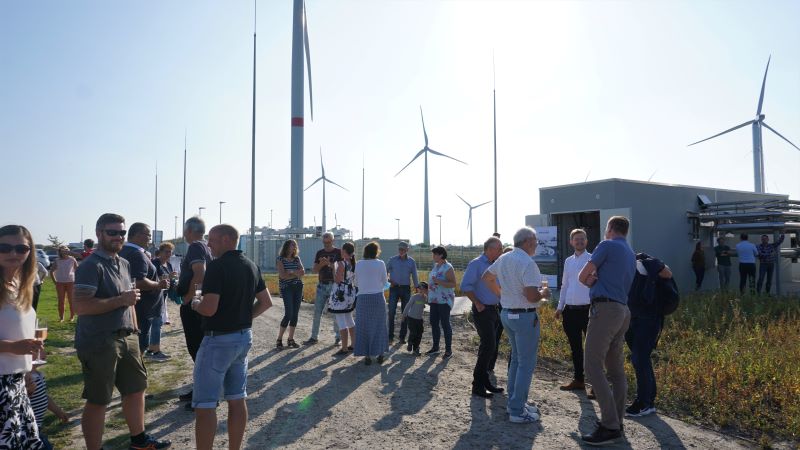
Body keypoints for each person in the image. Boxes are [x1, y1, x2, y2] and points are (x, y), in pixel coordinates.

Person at [72, 213, 170, 450]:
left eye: (122, 233)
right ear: (99, 234)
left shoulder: (124, 263)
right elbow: (81, 306)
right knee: (99, 400)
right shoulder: (90, 266)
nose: (118, 237)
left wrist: (134, 328)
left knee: (137, 390)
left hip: (128, 336)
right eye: (112, 232)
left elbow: (130, 300)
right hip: (99, 340)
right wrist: (120, 300)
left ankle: (139, 441)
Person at [189, 224, 273, 450]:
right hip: (242, 337)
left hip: (218, 340)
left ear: (226, 239)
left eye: (212, 240)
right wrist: (244, 318)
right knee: (237, 398)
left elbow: (209, 309)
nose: (208, 245)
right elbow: (266, 302)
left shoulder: (217, 267)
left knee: (205, 405)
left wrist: (196, 303)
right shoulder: (251, 265)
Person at [577, 216, 636, 445]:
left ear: (610, 229)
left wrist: (594, 281)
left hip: (604, 310)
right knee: (615, 369)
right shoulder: (630, 253)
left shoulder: (606, 246)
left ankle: (609, 425)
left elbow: (583, 276)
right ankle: (617, 422)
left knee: (592, 366)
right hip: (623, 311)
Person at [482, 227, 550, 424]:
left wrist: (502, 294)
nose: (537, 244)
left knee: (517, 360)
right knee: (525, 363)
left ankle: (515, 402)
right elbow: (531, 296)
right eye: (535, 241)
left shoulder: (504, 258)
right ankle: (517, 410)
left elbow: (487, 277)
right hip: (524, 317)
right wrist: (544, 294)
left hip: (506, 314)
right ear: (528, 242)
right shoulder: (528, 263)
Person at [0, 224, 45, 449]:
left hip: (15, 383)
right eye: (4, 247)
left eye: (21, 248)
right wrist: (11, 347)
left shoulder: (20, 285)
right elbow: (13, 342)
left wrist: (28, 369)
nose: (13, 253)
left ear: (30, 252)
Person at [625, 253, 674, 418]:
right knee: (641, 359)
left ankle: (644, 402)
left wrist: (652, 264)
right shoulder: (621, 264)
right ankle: (649, 401)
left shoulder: (642, 262)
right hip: (632, 319)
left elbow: (667, 273)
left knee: (639, 359)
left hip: (648, 319)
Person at [176, 216, 212, 408]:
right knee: (201, 349)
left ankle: (203, 394)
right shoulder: (206, 246)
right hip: (202, 304)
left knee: (197, 349)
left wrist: (192, 299)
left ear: (189, 230)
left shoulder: (195, 246)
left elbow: (200, 273)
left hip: (195, 306)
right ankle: (200, 389)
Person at [119, 223, 170, 361]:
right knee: (138, 346)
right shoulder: (136, 254)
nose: (150, 238)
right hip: (142, 309)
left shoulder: (124, 250)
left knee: (130, 345)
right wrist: (158, 284)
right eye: (147, 235)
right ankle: (135, 374)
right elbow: (138, 282)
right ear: (136, 234)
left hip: (133, 307)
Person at [461, 236, 504, 398]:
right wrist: (477, 303)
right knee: (489, 346)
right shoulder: (476, 264)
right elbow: (465, 286)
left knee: (488, 347)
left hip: (494, 309)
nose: (501, 251)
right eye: (499, 248)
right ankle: (477, 385)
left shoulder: (496, 265)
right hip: (482, 310)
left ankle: (484, 381)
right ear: (489, 249)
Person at [554, 229, 591, 392]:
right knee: (575, 348)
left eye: (582, 239)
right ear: (571, 242)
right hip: (570, 311)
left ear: (586, 241)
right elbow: (565, 285)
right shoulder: (568, 261)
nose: (579, 242)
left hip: (589, 311)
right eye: (576, 239)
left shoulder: (592, 259)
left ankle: (597, 385)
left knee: (593, 349)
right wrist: (560, 307)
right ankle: (579, 380)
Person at [353, 242, 389, 365]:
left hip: (363, 298)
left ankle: (367, 355)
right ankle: (380, 353)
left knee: (364, 327)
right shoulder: (381, 263)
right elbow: (385, 282)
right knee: (379, 326)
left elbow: (356, 283)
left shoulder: (359, 264)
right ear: (376, 252)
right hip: (378, 297)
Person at [304, 232, 341, 345]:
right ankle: (314, 337)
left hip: (334, 286)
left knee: (335, 313)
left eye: (328, 242)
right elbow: (314, 270)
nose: (326, 244)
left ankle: (338, 337)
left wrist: (329, 264)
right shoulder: (319, 253)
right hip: (321, 285)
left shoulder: (338, 252)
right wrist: (321, 264)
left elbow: (341, 269)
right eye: (324, 242)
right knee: (317, 312)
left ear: (333, 241)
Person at [26, 357, 69, 450]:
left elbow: (44, 397)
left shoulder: (38, 374)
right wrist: (28, 392)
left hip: (37, 427)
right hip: (28, 428)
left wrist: (58, 412)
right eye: (36, 349)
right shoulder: (25, 378)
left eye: (42, 347)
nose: (43, 352)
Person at [427, 246, 457, 359]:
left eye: (435, 254)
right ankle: (436, 347)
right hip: (434, 299)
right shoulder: (436, 266)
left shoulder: (448, 267)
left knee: (445, 324)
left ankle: (448, 350)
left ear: (441, 255)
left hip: (444, 300)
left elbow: (453, 284)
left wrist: (439, 281)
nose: (433, 256)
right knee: (434, 322)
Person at [386, 241, 419, 344]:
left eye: (403, 249)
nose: (401, 251)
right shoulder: (392, 260)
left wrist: (417, 287)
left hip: (406, 289)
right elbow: (384, 274)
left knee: (405, 313)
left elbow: (414, 275)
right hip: (394, 288)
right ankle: (390, 337)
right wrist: (390, 281)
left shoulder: (411, 262)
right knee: (391, 313)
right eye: (399, 249)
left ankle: (402, 337)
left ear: (407, 250)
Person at [328, 242, 358, 356]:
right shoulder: (353, 263)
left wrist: (332, 268)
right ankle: (354, 344)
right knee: (349, 318)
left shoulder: (341, 263)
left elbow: (337, 280)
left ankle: (344, 347)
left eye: (342, 250)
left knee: (341, 321)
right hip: (350, 293)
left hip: (340, 294)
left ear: (345, 251)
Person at [276, 239, 305, 350]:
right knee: (289, 313)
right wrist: (295, 273)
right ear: (287, 247)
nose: (294, 247)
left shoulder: (297, 259)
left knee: (295, 314)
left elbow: (302, 272)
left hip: (298, 287)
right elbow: (282, 275)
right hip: (286, 288)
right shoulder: (280, 259)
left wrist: (291, 272)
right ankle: (279, 339)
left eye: (295, 246)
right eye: (292, 245)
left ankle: (290, 339)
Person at [149, 243, 175, 360]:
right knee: (157, 323)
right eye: (166, 251)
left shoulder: (168, 264)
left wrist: (173, 279)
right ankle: (154, 351)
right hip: (154, 297)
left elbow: (168, 281)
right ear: (160, 252)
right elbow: (151, 280)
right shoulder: (155, 263)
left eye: (170, 252)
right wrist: (168, 276)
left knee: (157, 323)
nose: (169, 254)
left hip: (163, 296)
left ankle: (152, 350)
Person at [50, 246, 78, 321]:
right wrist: (55, 282)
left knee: (71, 300)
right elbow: (51, 271)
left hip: (71, 282)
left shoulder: (72, 259)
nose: (65, 252)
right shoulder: (57, 260)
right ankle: (61, 317)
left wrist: (77, 281)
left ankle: (72, 316)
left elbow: (77, 270)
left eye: (66, 250)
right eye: (64, 251)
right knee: (61, 301)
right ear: (60, 252)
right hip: (60, 283)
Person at [402, 282, 428, 356]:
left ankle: (416, 348)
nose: (421, 290)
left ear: (426, 290)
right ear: (417, 289)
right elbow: (407, 306)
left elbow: (424, 304)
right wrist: (404, 315)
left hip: (419, 319)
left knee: (419, 333)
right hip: (411, 318)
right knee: (413, 332)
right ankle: (410, 343)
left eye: (423, 289)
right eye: (419, 289)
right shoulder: (414, 297)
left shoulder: (425, 297)